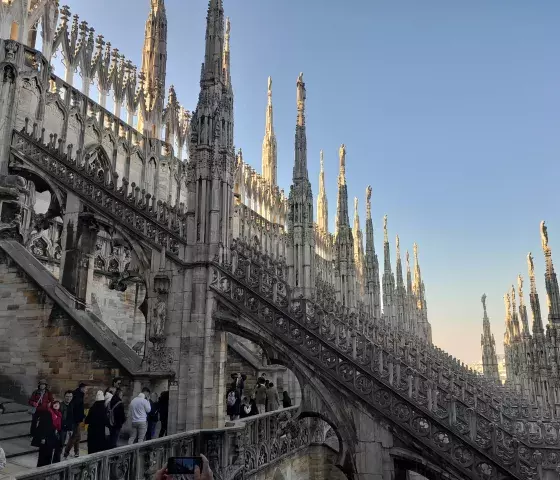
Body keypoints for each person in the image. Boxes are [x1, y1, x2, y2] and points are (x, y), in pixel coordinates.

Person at [31, 399, 62, 467]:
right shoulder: (48, 413)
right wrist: (43, 437)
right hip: (45, 437)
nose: (56, 405)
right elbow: (42, 426)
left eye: (58, 404)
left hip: (52, 437)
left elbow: (58, 426)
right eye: (55, 403)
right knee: (42, 455)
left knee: (49, 455)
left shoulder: (58, 414)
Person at [64, 382, 86, 459]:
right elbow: (75, 409)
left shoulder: (79, 394)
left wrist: (82, 415)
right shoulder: (77, 395)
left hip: (77, 419)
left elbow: (80, 408)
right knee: (74, 437)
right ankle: (66, 452)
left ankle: (76, 452)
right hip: (75, 420)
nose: (85, 390)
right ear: (81, 388)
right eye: (85, 388)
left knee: (78, 437)